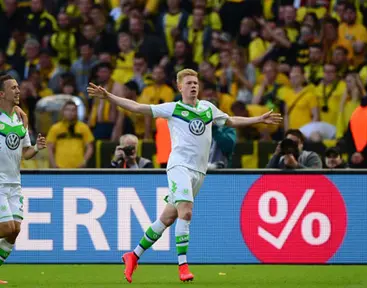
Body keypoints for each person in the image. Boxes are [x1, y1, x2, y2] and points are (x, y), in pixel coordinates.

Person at [87, 69, 282, 283]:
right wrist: (108, 96)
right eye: (188, 83)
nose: (193, 86)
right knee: (186, 213)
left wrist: (259, 119)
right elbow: (137, 107)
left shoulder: (208, 108)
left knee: (168, 218)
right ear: (180, 87)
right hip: (179, 166)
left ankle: (133, 255)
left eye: (196, 82)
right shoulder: (173, 109)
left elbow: (230, 121)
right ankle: (183, 265)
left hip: (199, 171)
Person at [0, 74, 46, 284]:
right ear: (2, 94)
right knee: (7, 227)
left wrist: (37, 147)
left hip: (14, 183)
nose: (18, 91)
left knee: (15, 231)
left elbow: (25, 152)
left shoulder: (20, 119)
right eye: (13, 88)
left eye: (18, 87)